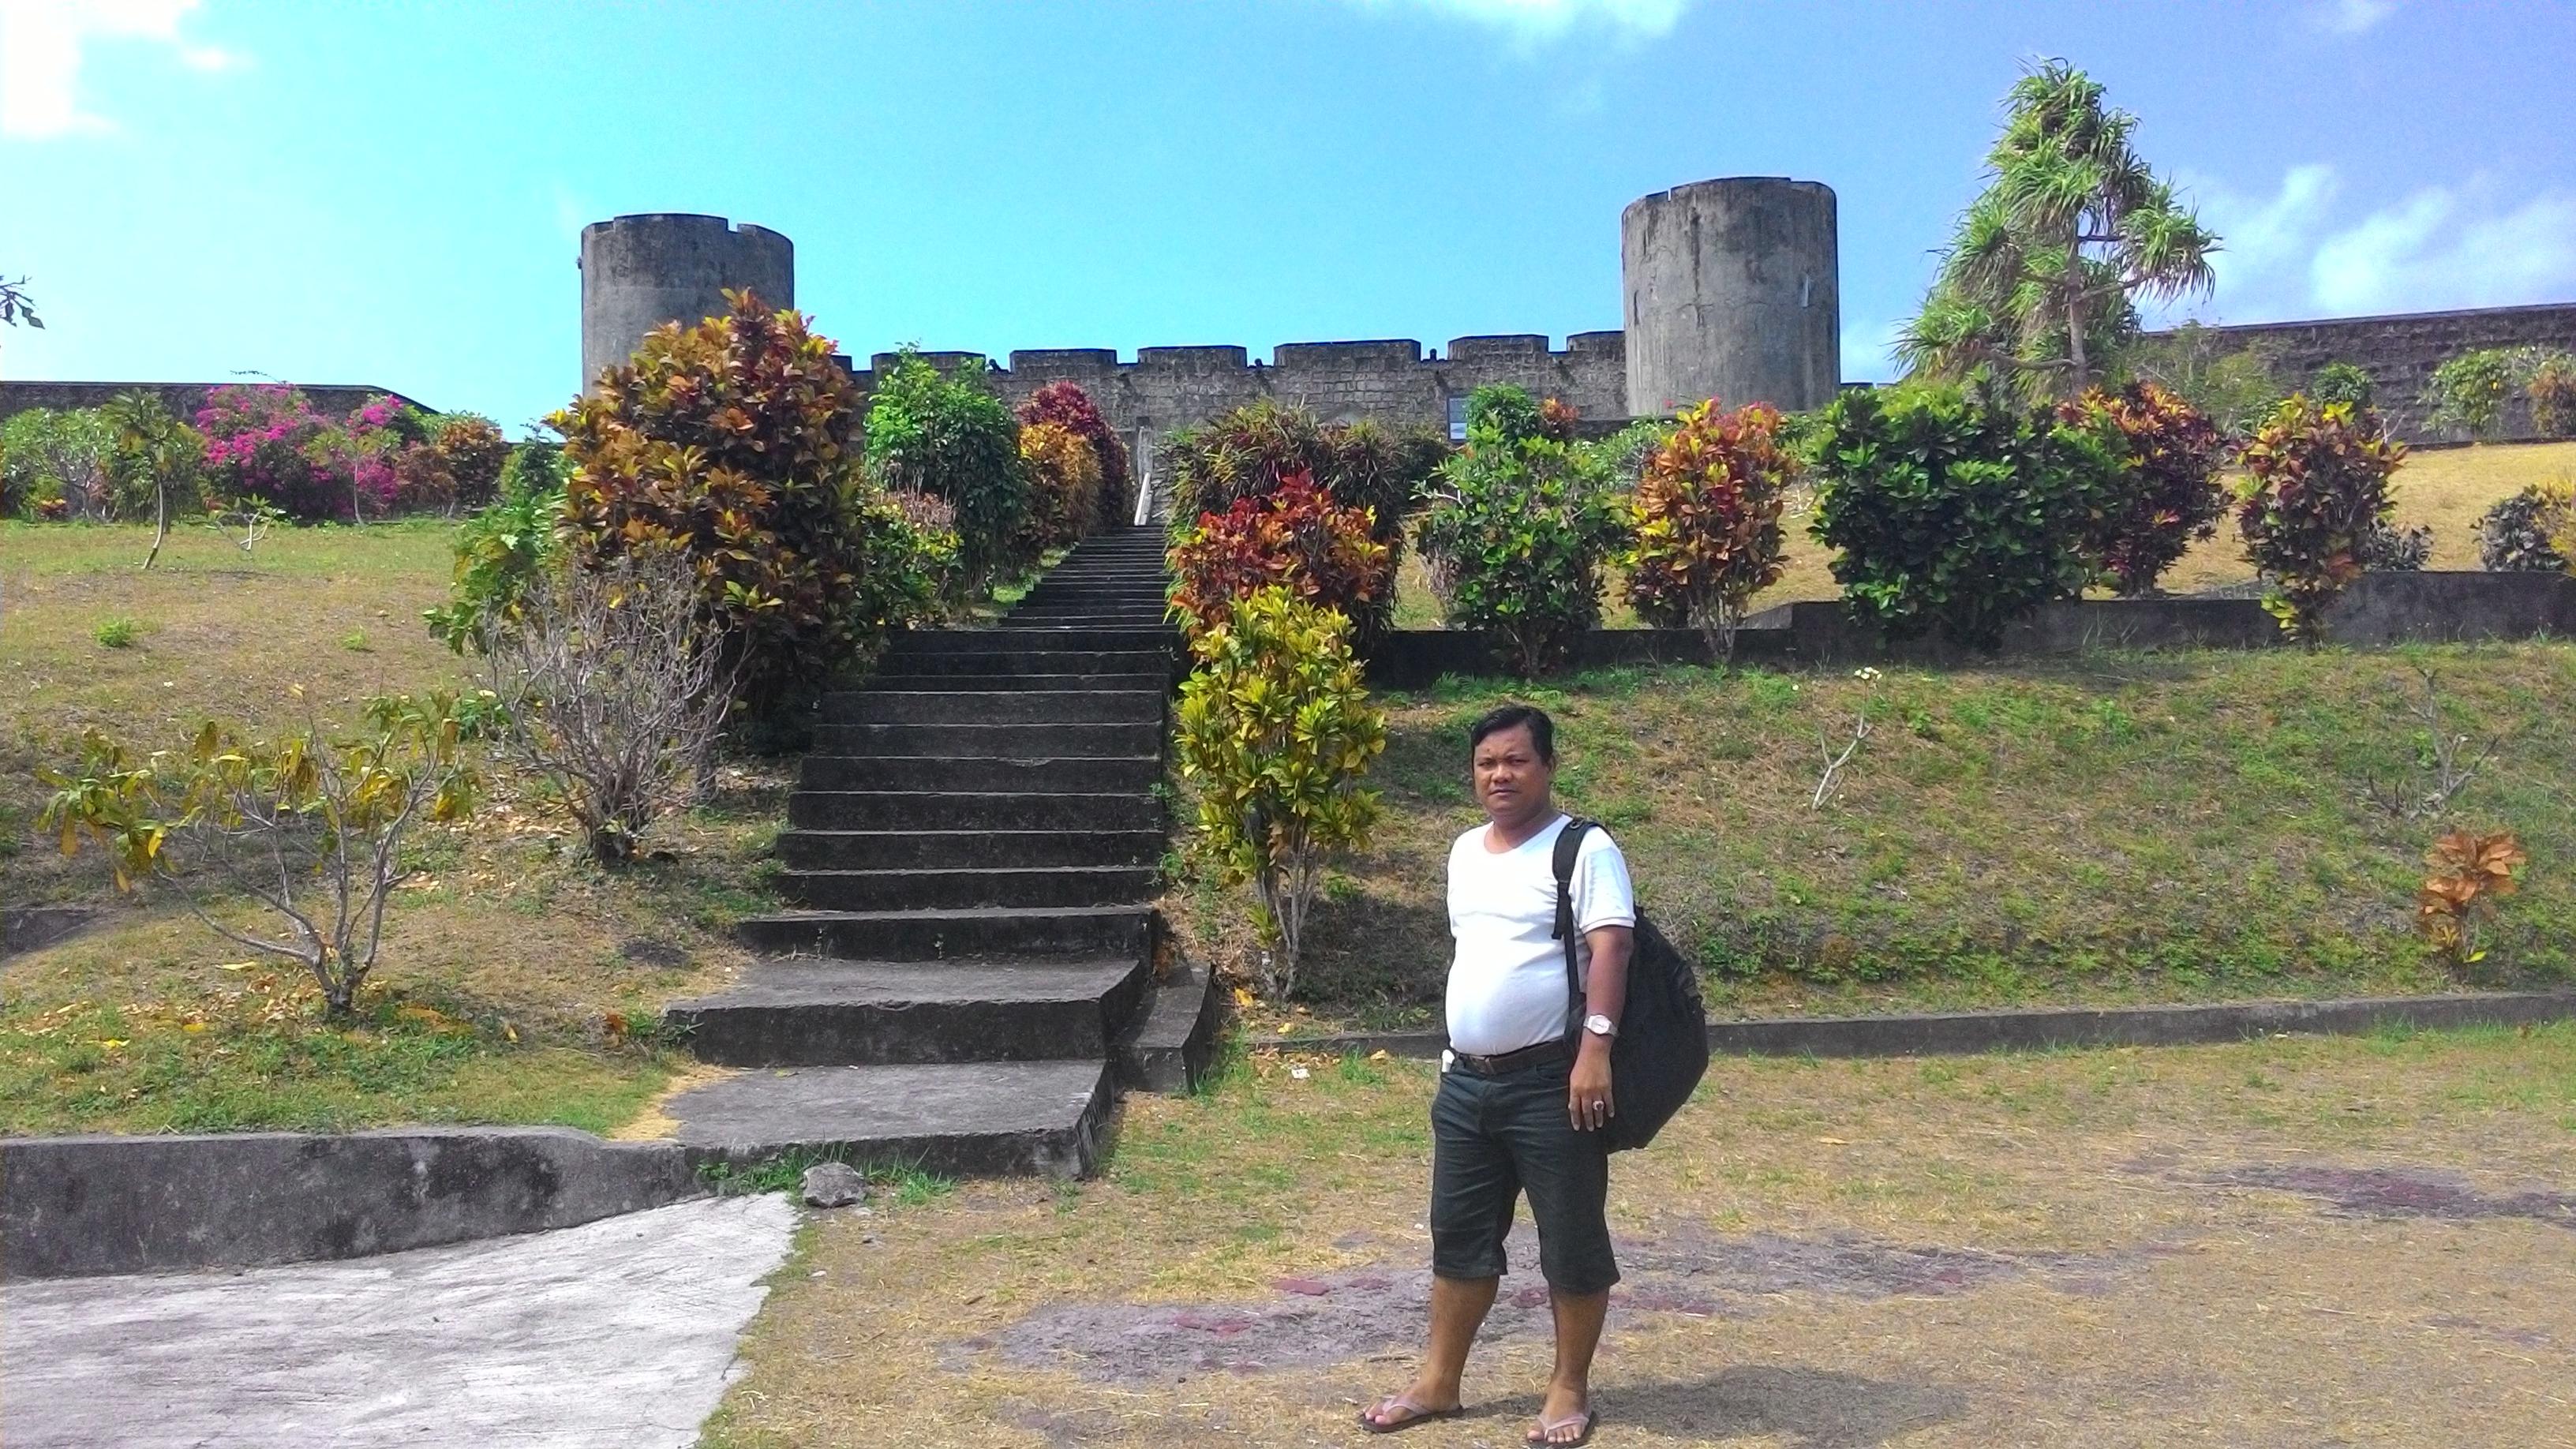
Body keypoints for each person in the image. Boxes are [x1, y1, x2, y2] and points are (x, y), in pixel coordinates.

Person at [1359, 702, 1635, 1446]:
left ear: (1547, 766)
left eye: (1515, 760)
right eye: (1487, 763)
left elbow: (1611, 949)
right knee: (1459, 1235)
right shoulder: (1462, 852)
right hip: (1467, 1085)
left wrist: (1596, 1051)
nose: (1500, 774)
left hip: (1554, 1083)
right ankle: (1439, 1383)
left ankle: (1568, 1389)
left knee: (1570, 1239)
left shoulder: (1582, 849)